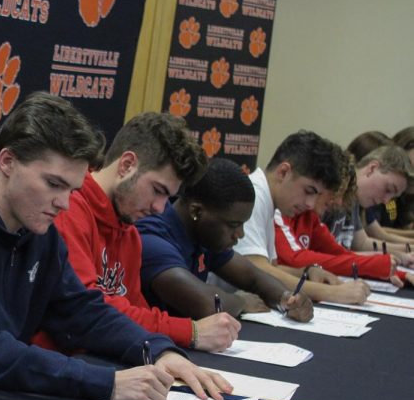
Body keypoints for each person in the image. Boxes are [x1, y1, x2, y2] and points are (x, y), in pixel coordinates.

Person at [0, 92, 231, 400]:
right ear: (7, 162)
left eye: (72, 190)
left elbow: (82, 309)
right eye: (53, 184)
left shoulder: (38, 229)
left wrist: (158, 350)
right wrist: (106, 383)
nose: (64, 202)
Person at [39, 112, 240, 353]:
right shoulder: (68, 210)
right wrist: (190, 331)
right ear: (126, 165)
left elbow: (138, 313)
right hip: (56, 365)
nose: (159, 208)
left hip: (101, 359)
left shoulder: (130, 234)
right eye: (157, 190)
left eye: (168, 197)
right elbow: (88, 310)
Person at [136, 158, 313, 321]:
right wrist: (241, 302)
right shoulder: (153, 236)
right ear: (196, 212)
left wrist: (287, 298)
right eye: (233, 224)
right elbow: (205, 304)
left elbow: (253, 277)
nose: (240, 234)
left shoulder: (202, 234)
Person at [222, 130, 372, 304]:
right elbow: (257, 270)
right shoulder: (252, 195)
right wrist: (331, 293)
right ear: (283, 172)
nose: (310, 204)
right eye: (309, 191)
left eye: (317, 196)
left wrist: (305, 272)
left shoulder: (271, 203)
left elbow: (271, 267)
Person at [274, 151, 414, 286]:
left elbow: (341, 254)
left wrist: (396, 272)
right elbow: (295, 259)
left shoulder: (310, 216)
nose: (339, 202)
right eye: (337, 192)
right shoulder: (282, 209)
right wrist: (376, 265)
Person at [323, 145, 414, 261]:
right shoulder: (332, 193)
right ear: (372, 168)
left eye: (392, 197)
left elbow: (361, 243)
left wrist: (402, 254)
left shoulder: (354, 197)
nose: (386, 201)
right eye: (388, 189)